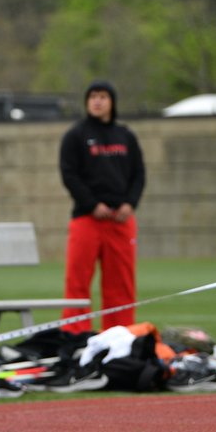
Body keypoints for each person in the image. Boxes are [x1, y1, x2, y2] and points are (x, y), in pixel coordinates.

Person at [58, 80, 146, 334]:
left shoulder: (125, 136)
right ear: (87, 102)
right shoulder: (75, 136)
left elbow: (139, 174)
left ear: (112, 102)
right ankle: (76, 334)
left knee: (121, 285)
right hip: (87, 220)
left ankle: (119, 335)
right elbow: (69, 174)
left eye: (103, 96)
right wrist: (92, 204)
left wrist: (130, 203)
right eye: (93, 96)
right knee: (77, 282)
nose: (97, 101)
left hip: (120, 221)